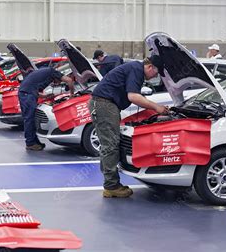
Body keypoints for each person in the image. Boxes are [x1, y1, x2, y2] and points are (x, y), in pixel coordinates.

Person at [89, 56, 168, 199]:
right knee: (111, 145)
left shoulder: (134, 68)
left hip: (104, 104)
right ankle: (111, 186)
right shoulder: (136, 70)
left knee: (109, 144)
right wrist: (156, 107)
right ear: (150, 67)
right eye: (156, 73)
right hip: (104, 105)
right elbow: (133, 96)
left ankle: (111, 182)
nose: (155, 76)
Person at [18, 67, 75, 151]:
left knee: (31, 119)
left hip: (25, 93)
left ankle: (35, 142)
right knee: (29, 119)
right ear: (58, 76)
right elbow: (69, 80)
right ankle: (30, 143)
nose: (56, 83)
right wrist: (72, 95)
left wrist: (45, 96)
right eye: (59, 81)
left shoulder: (45, 73)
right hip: (27, 95)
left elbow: (33, 88)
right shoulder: (52, 72)